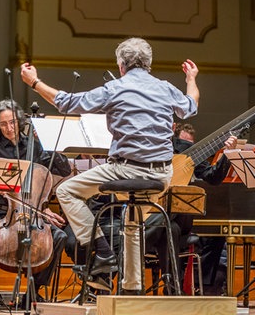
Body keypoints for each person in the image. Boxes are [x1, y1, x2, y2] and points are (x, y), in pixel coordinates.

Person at [21, 37, 200, 293]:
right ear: (149, 65)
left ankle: (103, 253)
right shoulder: (165, 87)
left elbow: (66, 102)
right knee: (132, 220)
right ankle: (131, 289)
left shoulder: (115, 89)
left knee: (66, 191)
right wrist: (191, 78)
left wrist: (35, 83)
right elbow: (191, 105)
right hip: (162, 175)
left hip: (127, 169)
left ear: (121, 66)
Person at [0, 100, 71, 307]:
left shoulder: (33, 146)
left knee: (60, 237)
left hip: (33, 215)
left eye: (13, 123)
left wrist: (47, 141)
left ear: (20, 122)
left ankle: (32, 293)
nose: (9, 128)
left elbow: (64, 170)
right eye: (3, 124)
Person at [145, 122, 237, 294]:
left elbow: (213, 177)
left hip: (178, 217)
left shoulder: (188, 153)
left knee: (175, 224)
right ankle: (173, 288)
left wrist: (227, 154)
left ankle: (136, 242)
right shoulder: (145, 146)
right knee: (169, 228)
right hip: (152, 215)